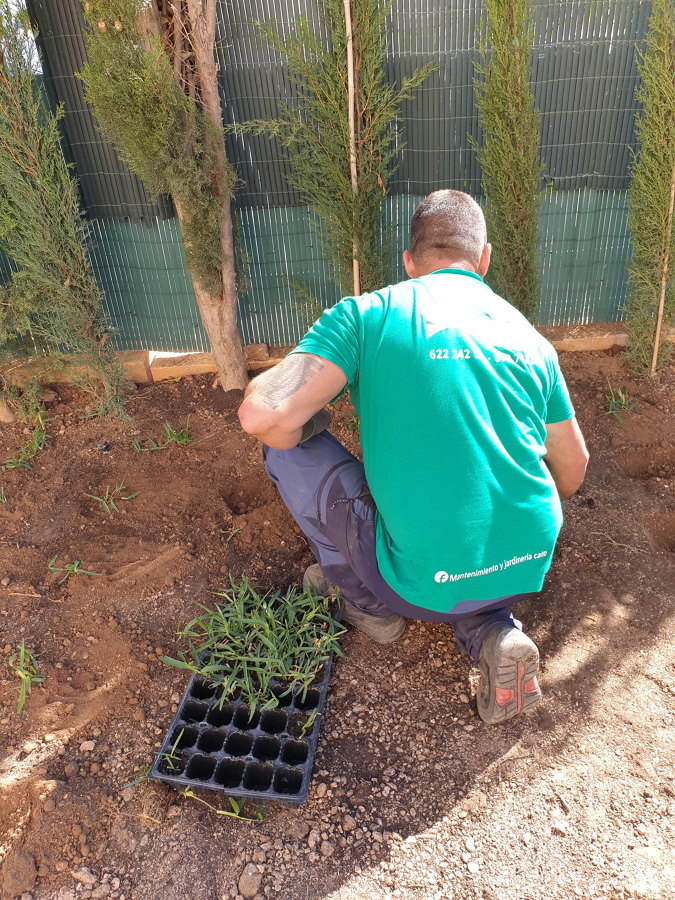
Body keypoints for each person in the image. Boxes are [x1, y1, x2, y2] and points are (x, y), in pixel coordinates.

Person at [238, 190, 588, 725]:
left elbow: (262, 416)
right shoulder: (529, 339)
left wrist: (313, 418)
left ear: (408, 262)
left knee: (290, 452)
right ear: (485, 258)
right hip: (524, 564)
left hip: (412, 581)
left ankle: (369, 605)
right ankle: (493, 629)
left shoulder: (367, 316)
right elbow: (573, 469)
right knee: (470, 531)